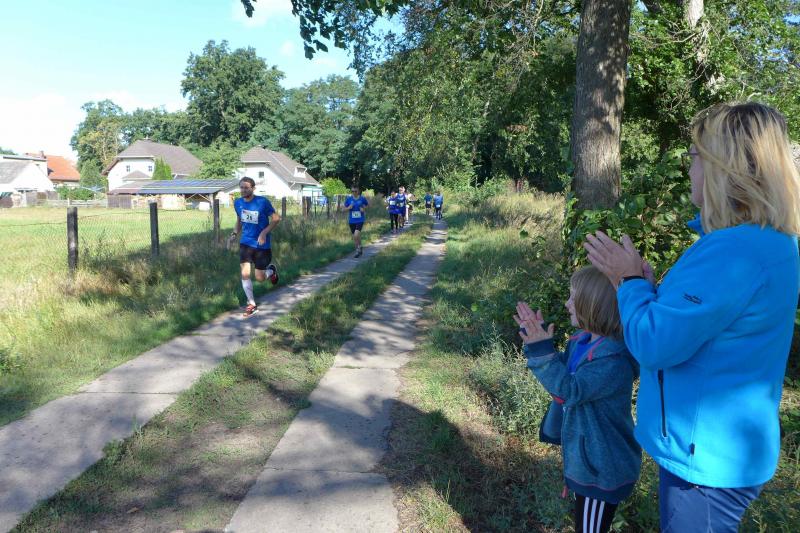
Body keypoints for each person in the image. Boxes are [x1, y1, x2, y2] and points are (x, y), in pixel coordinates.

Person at [584, 102, 800, 532]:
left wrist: (628, 282)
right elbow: (708, 326)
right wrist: (647, 289)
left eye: (696, 156)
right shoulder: (774, 243)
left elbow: (654, 344)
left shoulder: (733, 252)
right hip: (727, 449)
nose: (690, 169)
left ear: (725, 167)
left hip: (704, 458)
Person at [514, 266, 641, 533]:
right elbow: (561, 373)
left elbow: (568, 390)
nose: (567, 303)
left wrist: (540, 349)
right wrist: (538, 340)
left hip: (602, 471)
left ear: (594, 304)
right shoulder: (582, 341)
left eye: (573, 297)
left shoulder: (612, 361)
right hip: (588, 463)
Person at [231, 177, 281, 318]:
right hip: (245, 243)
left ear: (253, 188)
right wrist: (234, 234)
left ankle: (271, 271)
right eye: (241, 187)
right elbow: (239, 220)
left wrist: (264, 232)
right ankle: (252, 304)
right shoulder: (238, 203)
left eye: (246, 187)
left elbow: (276, 218)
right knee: (245, 274)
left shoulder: (262, 202)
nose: (243, 190)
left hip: (261, 245)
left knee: (259, 278)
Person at [343, 185, 368, 257]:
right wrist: (348, 208)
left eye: (355, 191)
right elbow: (343, 209)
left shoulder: (362, 198)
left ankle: (357, 251)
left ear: (358, 191)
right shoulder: (349, 199)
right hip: (351, 220)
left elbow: (367, 205)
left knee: (356, 234)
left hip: (360, 219)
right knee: (355, 236)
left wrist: (363, 209)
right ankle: (359, 247)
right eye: (352, 191)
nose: (354, 192)